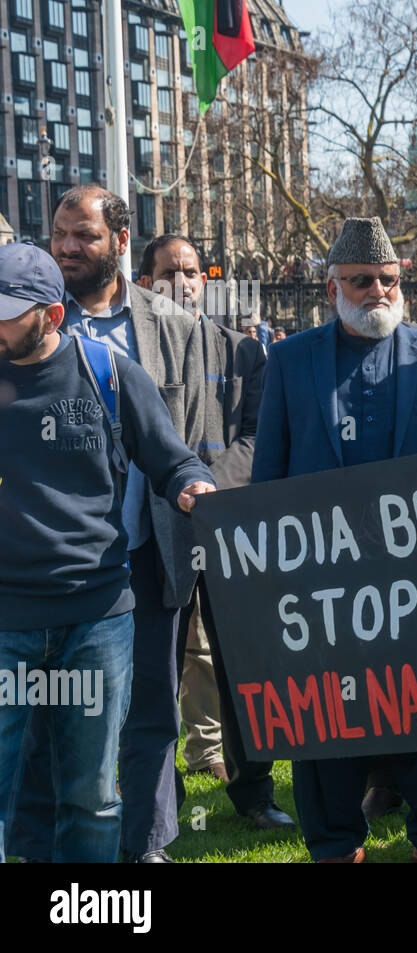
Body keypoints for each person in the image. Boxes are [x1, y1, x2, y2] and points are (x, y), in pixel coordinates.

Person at [11, 187, 259, 863]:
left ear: (120, 242)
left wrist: (197, 485)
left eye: (83, 236)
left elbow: (184, 440)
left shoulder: (168, 328)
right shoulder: (18, 326)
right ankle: (42, 849)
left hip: (143, 558)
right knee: (40, 726)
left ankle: (144, 844)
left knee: (151, 710)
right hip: (36, 574)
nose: (66, 246)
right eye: (59, 233)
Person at [252, 217, 417, 862]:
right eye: (361, 280)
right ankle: (334, 844)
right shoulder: (291, 361)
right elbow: (269, 475)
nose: (377, 290)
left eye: (388, 279)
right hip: (320, 588)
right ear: (331, 288)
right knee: (323, 718)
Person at [136, 234, 295, 831]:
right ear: (146, 283)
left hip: (229, 531)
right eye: (168, 272)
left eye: (192, 272)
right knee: (161, 670)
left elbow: (257, 439)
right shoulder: (135, 355)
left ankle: (255, 792)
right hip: (157, 531)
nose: (182, 282)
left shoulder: (245, 354)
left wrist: (202, 491)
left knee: (241, 668)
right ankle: (159, 799)